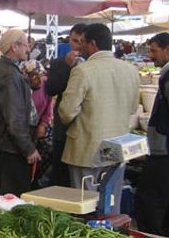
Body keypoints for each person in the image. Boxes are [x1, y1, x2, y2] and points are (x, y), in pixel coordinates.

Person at [59, 23, 139, 214]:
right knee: (111, 201)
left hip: (87, 146)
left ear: (92, 44)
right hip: (117, 145)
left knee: (86, 205)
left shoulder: (83, 70)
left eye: (83, 42)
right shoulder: (130, 70)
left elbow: (66, 112)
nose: (79, 47)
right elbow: (133, 108)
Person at [0, 28, 39, 196]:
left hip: (1, 143)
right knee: (12, 196)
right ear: (14, 46)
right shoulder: (10, 75)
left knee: (0, 193)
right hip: (11, 146)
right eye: (26, 45)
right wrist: (28, 148)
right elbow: (14, 118)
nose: (28, 49)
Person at [135, 32, 169, 236]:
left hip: (165, 154)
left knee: (151, 202)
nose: (151, 56)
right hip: (164, 152)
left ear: (168, 49)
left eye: (154, 51)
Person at [44, 23, 86, 187]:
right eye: (75, 41)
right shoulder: (59, 63)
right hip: (63, 128)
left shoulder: (92, 64)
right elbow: (51, 89)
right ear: (69, 40)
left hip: (83, 128)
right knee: (60, 175)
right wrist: (68, 68)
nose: (78, 45)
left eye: (82, 41)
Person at [21, 60, 54, 187]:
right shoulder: (23, 88)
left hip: (39, 125)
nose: (38, 79)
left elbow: (49, 107)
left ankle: (39, 181)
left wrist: (43, 124)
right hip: (24, 128)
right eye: (34, 77)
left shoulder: (46, 84)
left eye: (39, 75)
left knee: (48, 151)